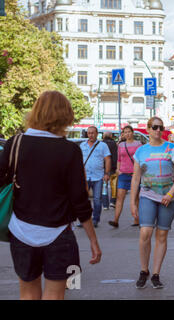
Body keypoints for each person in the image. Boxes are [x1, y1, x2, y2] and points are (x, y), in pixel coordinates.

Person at [0, 91, 101, 300]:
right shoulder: (69, 150)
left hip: (20, 231)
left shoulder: (14, 143)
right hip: (58, 234)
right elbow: (79, 200)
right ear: (65, 116)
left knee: (27, 294)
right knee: (55, 295)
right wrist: (92, 239)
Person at [130, 117, 174, 289]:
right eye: (154, 127)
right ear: (147, 129)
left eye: (161, 127)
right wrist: (133, 202)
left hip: (168, 198)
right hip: (148, 195)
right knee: (145, 232)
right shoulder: (141, 152)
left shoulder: (172, 148)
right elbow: (136, 178)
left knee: (161, 235)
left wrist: (170, 193)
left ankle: (155, 274)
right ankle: (143, 270)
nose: (158, 130)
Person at [108, 126, 141, 228]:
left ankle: (137, 219)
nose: (127, 134)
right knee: (119, 197)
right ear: (123, 134)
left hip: (134, 175)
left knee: (136, 198)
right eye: (125, 132)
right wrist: (118, 170)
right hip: (123, 174)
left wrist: (138, 171)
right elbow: (119, 159)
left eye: (129, 132)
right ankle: (116, 220)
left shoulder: (138, 144)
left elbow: (140, 159)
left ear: (133, 133)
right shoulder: (121, 145)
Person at [79, 126, 111, 227]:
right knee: (82, 200)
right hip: (84, 176)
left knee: (97, 199)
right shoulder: (82, 145)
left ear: (97, 134)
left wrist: (106, 173)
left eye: (93, 133)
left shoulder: (103, 146)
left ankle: (95, 219)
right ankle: (83, 220)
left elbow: (108, 159)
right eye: (89, 133)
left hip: (98, 177)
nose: (91, 135)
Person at [102, 131, 118, 210]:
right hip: (112, 167)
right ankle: (113, 202)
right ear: (111, 136)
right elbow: (115, 155)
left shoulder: (101, 143)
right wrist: (115, 166)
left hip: (103, 167)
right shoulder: (114, 143)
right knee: (113, 186)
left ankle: (105, 204)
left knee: (104, 186)